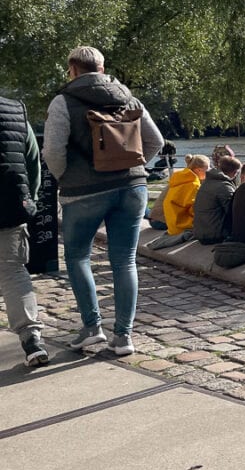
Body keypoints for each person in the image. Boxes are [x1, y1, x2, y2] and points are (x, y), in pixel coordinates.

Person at [43, 46, 163, 356]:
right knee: (124, 260)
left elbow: (53, 152)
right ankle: (123, 337)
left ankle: (92, 327)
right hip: (132, 187)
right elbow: (156, 141)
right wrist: (134, 168)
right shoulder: (127, 97)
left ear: (73, 70)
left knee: (77, 256)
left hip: (84, 192)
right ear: (102, 67)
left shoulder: (63, 102)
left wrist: (65, 178)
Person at [0, 96, 49, 366]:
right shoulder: (15, 111)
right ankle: (32, 340)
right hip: (8, 204)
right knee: (13, 272)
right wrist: (30, 197)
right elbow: (33, 162)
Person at [192, 155, 241, 245]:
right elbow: (234, 211)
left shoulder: (208, 182)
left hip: (201, 232)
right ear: (234, 172)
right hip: (215, 235)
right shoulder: (224, 186)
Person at [162, 154, 210, 235]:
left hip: (172, 226)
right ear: (198, 170)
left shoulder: (179, 178)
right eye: (207, 169)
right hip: (183, 227)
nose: (209, 172)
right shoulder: (194, 185)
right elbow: (195, 210)